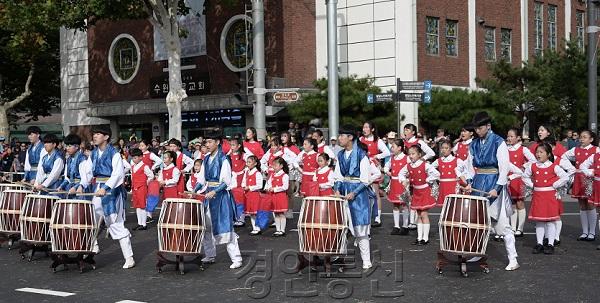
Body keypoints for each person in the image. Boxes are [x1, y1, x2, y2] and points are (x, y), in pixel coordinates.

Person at [463, 111, 519, 271]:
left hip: (494, 182)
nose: (477, 131)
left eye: (480, 128)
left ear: (488, 126)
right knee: (478, 222)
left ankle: (513, 258)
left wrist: (497, 188)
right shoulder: (473, 144)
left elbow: (504, 167)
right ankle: (478, 253)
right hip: (479, 184)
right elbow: (469, 166)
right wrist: (468, 182)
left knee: (501, 223)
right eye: (476, 129)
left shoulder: (498, 141)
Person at [87, 125, 135, 269]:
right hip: (98, 189)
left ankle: (129, 257)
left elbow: (118, 174)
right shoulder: (94, 154)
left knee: (115, 223)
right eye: (94, 134)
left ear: (106, 137)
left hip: (112, 192)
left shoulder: (114, 153)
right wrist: (81, 185)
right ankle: (91, 248)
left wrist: (106, 187)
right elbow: (88, 173)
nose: (94, 136)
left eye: (98, 134)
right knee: (91, 219)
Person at [193, 131, 242, 269]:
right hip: (209, 196)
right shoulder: (206, 159)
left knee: (226, 227)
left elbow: (226, 181)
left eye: (209, 142)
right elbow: (202, 179)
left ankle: (236, 258)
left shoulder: (223, 159)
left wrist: (214, 191)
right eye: (206, 142)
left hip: (221, 197)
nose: (207, 145)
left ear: (217, 142)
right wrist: (194, 191)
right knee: (207, 227)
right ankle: (210, 254)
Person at [333, 125, 379, 270]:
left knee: (360, 229)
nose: (339, 138)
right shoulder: (340, 155)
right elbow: (338, 176)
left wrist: (354, 193)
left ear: (350, 137)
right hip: (344, 193)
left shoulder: (361, 155)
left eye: (342, 135)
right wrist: (336, 190)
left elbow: (365, 179)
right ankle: (341, 258)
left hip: (358, 196)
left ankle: (366, 260)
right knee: (342, 227)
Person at [522, 143, 571, 254]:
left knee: (550, 221)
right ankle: (539, 243)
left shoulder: (554, 166)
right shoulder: (533, 166)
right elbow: (524, 176)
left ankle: (550, 243)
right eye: (537, 152)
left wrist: (555, 184)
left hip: (550, 197)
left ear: (548, 154)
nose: (538, 154)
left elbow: (565, 177)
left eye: (541, 152)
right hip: (538, 196)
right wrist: (532, 185)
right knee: (539, 221)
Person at [561, 130, 599, 241]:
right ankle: (584, 231)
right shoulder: (575, 150)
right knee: (582, 205)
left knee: (590, 204)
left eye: (585, 137)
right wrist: (571, 168)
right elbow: (563, 158)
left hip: (591, 179)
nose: (581, 139)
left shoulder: (596, 149)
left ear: (591, 139)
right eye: (581, 137)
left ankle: (592, 232)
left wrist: (591, 171)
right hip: (579, 178)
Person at [398, 145, 440, 245]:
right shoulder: (408, 166)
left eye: (413, 154)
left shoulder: (424, 165)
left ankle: (425, 238)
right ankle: (419, 237)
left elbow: (437, 174)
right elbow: (401, 173)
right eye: (409, 154)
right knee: (418, 215)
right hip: (416, 192)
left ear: (419, 154)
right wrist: (404, 180)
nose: (411, 156)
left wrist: (428, 179)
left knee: (424, 214)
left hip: (424, 192)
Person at [403, 123, 435, 229]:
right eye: (404, 130)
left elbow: (431, 153)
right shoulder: (403, 143)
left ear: (413, 132)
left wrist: (421, 160)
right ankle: (408, 222)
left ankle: (414, 222)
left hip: (417, 172)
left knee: (414, 196)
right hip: (407, 171)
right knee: (406, 198)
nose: (405, 132)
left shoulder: (419, 142)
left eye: (407, 130)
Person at [359, 122, 391, 227]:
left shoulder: (377, 140)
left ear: (372, 129)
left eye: (367, 127)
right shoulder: (360, 140)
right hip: (363, 167)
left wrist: (376, 156)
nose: (365, 129)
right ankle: (364, 215)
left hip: (373, 167)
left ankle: (377, 217)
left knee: (375, 192)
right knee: (363, 191)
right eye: (364, 127)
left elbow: (387, 152)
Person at [506, 128, 536, 237]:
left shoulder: (523, 149)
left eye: (511, 136)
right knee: (511, 203)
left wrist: (523, 167)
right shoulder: (505, 149)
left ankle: (520, 228)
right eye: (508, 136)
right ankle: (513, 228)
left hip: (518, 178)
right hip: (508, 178)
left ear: (518, 137)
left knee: (520, 202)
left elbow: (533, 160)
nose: (509, 138)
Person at [431, 139, 468, 207]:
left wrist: (464, 182)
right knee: (443, 209)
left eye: (446, 148)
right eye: (442, 148)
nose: (444, 150)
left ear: (451, 149)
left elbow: (465, 172)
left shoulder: (457, 160)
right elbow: (429, 169)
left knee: (453, 208)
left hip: (453, 187)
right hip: (442, 188)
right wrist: (437, 176)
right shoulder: (438, 161)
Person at [384, 138, 410, 235]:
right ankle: (396, 226)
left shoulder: (406, 158)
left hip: (403, 184)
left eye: (393, 146)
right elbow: (386, 166)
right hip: (394, 183)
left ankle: (405, 226)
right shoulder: (392, 158)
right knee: (395, 205)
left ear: (399, 148)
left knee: (404, 205)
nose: (391, 148)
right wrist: (388, 172)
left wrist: (408, 178)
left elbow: (412, 167)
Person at [129, 148, 154, 231]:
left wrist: (146, 182)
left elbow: (151, 176)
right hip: (135, 188)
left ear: (140, 157)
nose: (134, 159)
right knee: (137, 206)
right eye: (133, 158)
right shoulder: (133, 167)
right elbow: (133, 177)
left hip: (142, 188)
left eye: (135, 157)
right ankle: (140, 223)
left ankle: (144, 224)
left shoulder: (145, 166)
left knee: (142, 206)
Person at [264, 157, 289, 237]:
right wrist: (268, 188)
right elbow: (269, 183)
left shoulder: (284, 175)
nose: (274, 167)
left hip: (281, 196)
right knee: (276, 213)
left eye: (276, 165)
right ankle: (278, 230)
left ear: (281, 166)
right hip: (273, 196)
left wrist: (275, 189)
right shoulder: (272, 175)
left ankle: (282, 230)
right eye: (273, 165)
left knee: (281, 213)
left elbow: (285, 187)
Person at [242, 155, 263, 235]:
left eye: (249, 162)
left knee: (255, 212)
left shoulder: (257, 173)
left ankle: (258, 228)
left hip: (255, 195)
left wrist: (250, 187)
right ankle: (255, 228)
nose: (247, 164)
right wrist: (244, 186)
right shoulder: (247, 172)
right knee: (251, 213)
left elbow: (260, 185)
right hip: (248, 195)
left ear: (255, 164)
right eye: (247, 162)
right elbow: (243, 181)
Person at [229, 137, 247, 227]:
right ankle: (234, 217)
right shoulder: (229, 155)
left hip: (241, 179)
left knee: (240, 199)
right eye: (231, 145)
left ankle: (241, 218)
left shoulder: (243, 155)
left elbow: (251, 160)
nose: (231, 147)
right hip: (232, 179)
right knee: (232, 199)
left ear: (239, 146)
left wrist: (246, 170)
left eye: (233, 145)